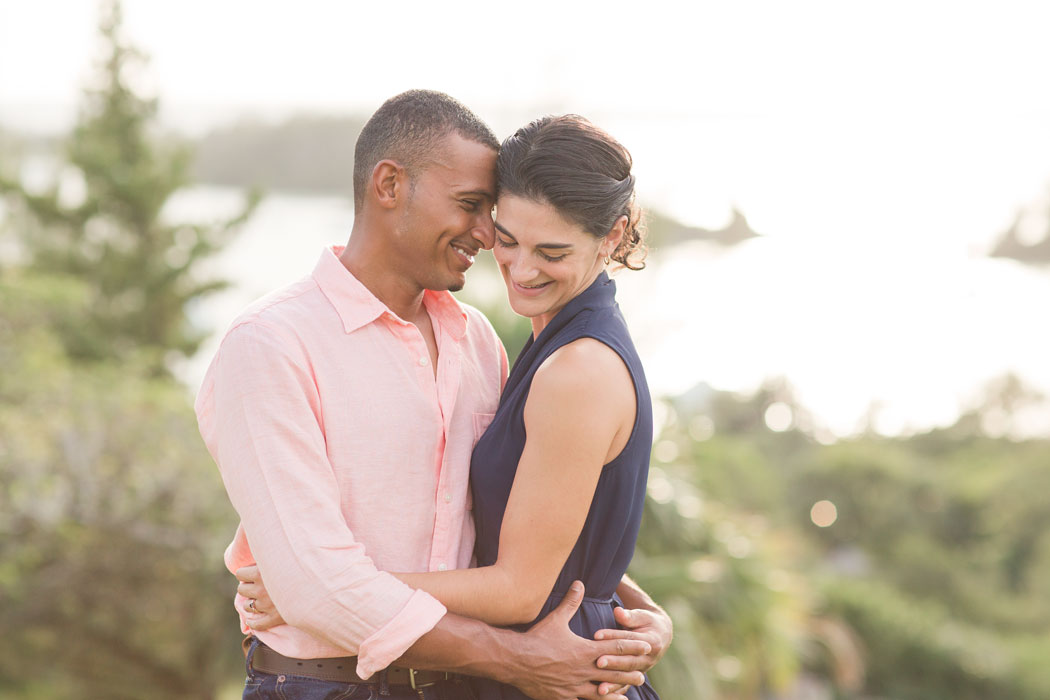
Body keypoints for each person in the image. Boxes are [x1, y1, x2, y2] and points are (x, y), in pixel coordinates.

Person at [196, 90, 670, 700]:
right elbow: (315, 589)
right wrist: (516, 657)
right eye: (473, 207)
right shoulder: (270, 345)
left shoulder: (477, 342)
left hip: (466, 686)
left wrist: (638, 613)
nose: (485, 234)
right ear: (389, 185)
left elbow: (535, 524)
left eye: (489, 213)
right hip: (330, 686)